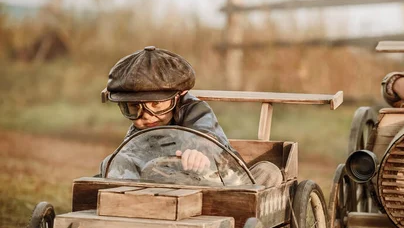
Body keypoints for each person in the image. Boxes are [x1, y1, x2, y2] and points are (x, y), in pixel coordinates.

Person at [100, 46, 282, 186]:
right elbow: (132, 156)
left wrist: (199, 152)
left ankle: (248, 215)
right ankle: (125, 207)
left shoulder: (195, 110)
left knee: (269, 171)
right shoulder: (139, 129)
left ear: (179, 95)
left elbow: (205, 134)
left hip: (220, 181)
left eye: (156, 105)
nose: (147, 116)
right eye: (133, 108)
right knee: (111, 162)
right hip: (166, 186)